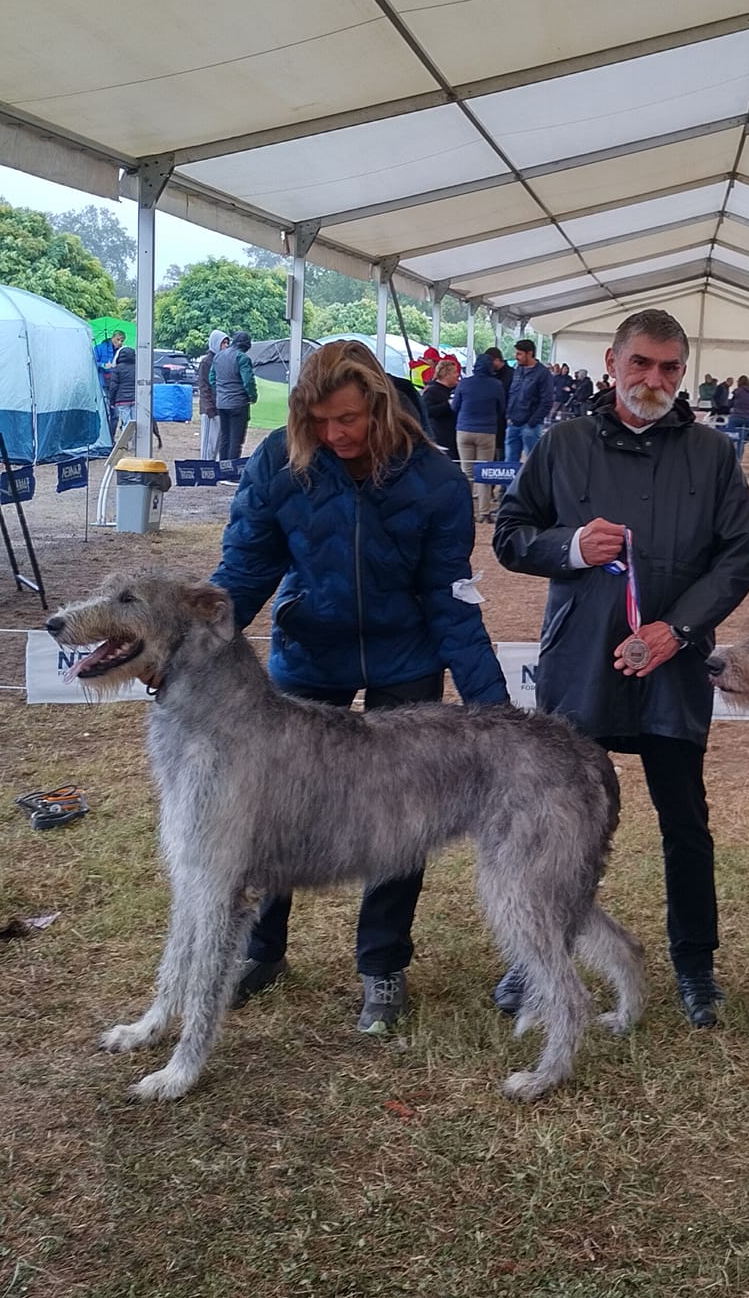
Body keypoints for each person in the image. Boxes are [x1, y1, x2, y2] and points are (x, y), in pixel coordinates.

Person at [211, 340, 508, 1029]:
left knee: (402, 820)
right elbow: (244, 570)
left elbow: (450, 600)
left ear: (378, 404)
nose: (334, 434)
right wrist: (190, 646)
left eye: (347, 418)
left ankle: (382, 964)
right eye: (318, 421)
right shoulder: (278, 461)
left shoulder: (435, 480)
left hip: (406, 663)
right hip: (307, 658)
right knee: (274, 810)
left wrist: (495, 713)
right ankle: (261, 949)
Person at [494, 308, 749, 1028]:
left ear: (684, 373)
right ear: (612, 363)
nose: (654, 379)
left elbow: (738, 560)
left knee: (686, 824)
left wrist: (678, 630)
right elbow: (510, 535)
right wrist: (571, 547)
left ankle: (695, 966)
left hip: (672, 667)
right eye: (641, 362)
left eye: (670, 367)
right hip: (581, 662)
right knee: (560, 826)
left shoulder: (713, 454)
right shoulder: (563, 443)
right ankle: (538, 955)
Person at [451, 352, 507, 522]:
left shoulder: (464, 383)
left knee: (466, 472)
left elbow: (455, 407)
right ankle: (484, 513)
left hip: (464, 430)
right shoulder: (496, 385)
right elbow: (502, 408)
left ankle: (466, 511)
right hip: (486, 431)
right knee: (484, 472)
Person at [503, 337, 552, 464]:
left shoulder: (543, 373)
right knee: (509, 463)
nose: (516, 357)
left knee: (532, 462)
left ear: (529, 353)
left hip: (530, 426)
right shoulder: (518, 370)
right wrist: (508, 416)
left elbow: (547, 401)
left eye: (519, 353)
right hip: (513, 423)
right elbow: (511, 394)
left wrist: (532, 422)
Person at [211, 331, 257, 464]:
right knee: (236, 440)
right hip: (238, 404)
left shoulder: (218, 356)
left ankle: (222, 467)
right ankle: (231, 470)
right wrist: (252, 396)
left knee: (225, 438)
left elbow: (212, 379)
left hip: (222, 403)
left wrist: (221, 392)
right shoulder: (242, 358)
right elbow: (248, 381)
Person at [422, 355, 461, 458]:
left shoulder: (456, 389)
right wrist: (447, 405)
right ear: (446, 374)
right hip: (441, 437)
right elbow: (427, 411)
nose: (457, 375)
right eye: (454, 372)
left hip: (453, 436)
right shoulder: (432, 391)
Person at [196, 330, 226, 458]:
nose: (225, 346)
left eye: (227, 343)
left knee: (218, 444)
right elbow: (204, 386)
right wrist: (208, 407)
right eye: (223, 343)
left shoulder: (222, 361)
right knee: (208, 444)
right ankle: (204, 467)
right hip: (210, 409)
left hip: (220, 407)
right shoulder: (206, 362)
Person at [108, 345, 139, 433]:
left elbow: (113, 386)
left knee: (126, 423)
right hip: (135, 399)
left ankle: (127, 441)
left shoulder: (117, 369)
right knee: (136, 423)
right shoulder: (138, 368)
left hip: (121, 400)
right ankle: (136, 441)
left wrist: (112, 401)